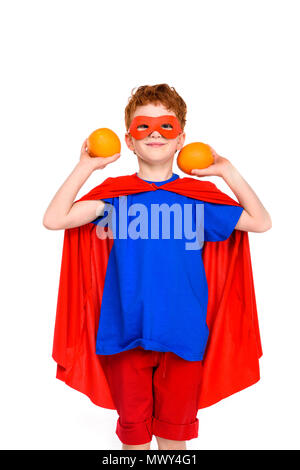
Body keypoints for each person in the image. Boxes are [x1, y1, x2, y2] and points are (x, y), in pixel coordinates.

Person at [43, 83, 272, 451]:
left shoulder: (198, 202)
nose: (153, 134)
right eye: (142, 127)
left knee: (173, 441)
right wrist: (86, 166)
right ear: (129, 141)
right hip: (124, 333)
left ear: (181, 139)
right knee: (134, 442)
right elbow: (55, 219)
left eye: (165, 126)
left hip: (183, 334)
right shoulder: (113, 199)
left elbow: (260, 222)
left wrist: (226, 171)